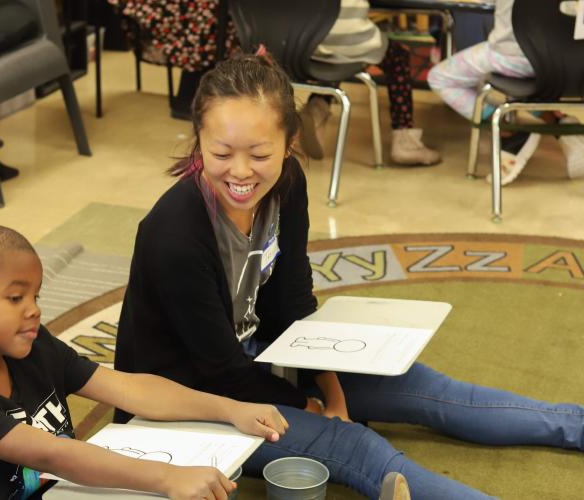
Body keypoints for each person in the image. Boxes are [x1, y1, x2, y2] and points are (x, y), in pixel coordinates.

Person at [113, 53, 584, 500]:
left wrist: (332, 391)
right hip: (190, 401)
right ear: (198, 141)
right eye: (220, 152)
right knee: (360, 451)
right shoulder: (174, 233)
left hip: (254, 361)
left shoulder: (287, 183)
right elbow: (221, 372)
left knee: (424, 388)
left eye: (259, 153)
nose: (240, 172)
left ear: (288, 144)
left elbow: (293, 303)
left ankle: (576, 425)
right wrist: (318, 412)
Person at [0, 222, 290, 500]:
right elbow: (52, 454)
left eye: (36, 297)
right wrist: (169, 478)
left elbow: (129, 388)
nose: (34, 311)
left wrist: (230, 409)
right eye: (15, 298)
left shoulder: (31, 345)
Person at [427, 0, 584, 185]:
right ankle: (563, 126)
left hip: (514, 57)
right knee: (524, 81)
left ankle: (510, 132)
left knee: (439, 77)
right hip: (573, 64)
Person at [300, 0, 440, 166]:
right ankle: (404, 138)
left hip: (303, 42)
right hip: (350, 39)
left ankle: (317, 109)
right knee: (397, 58)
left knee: (334, 57)